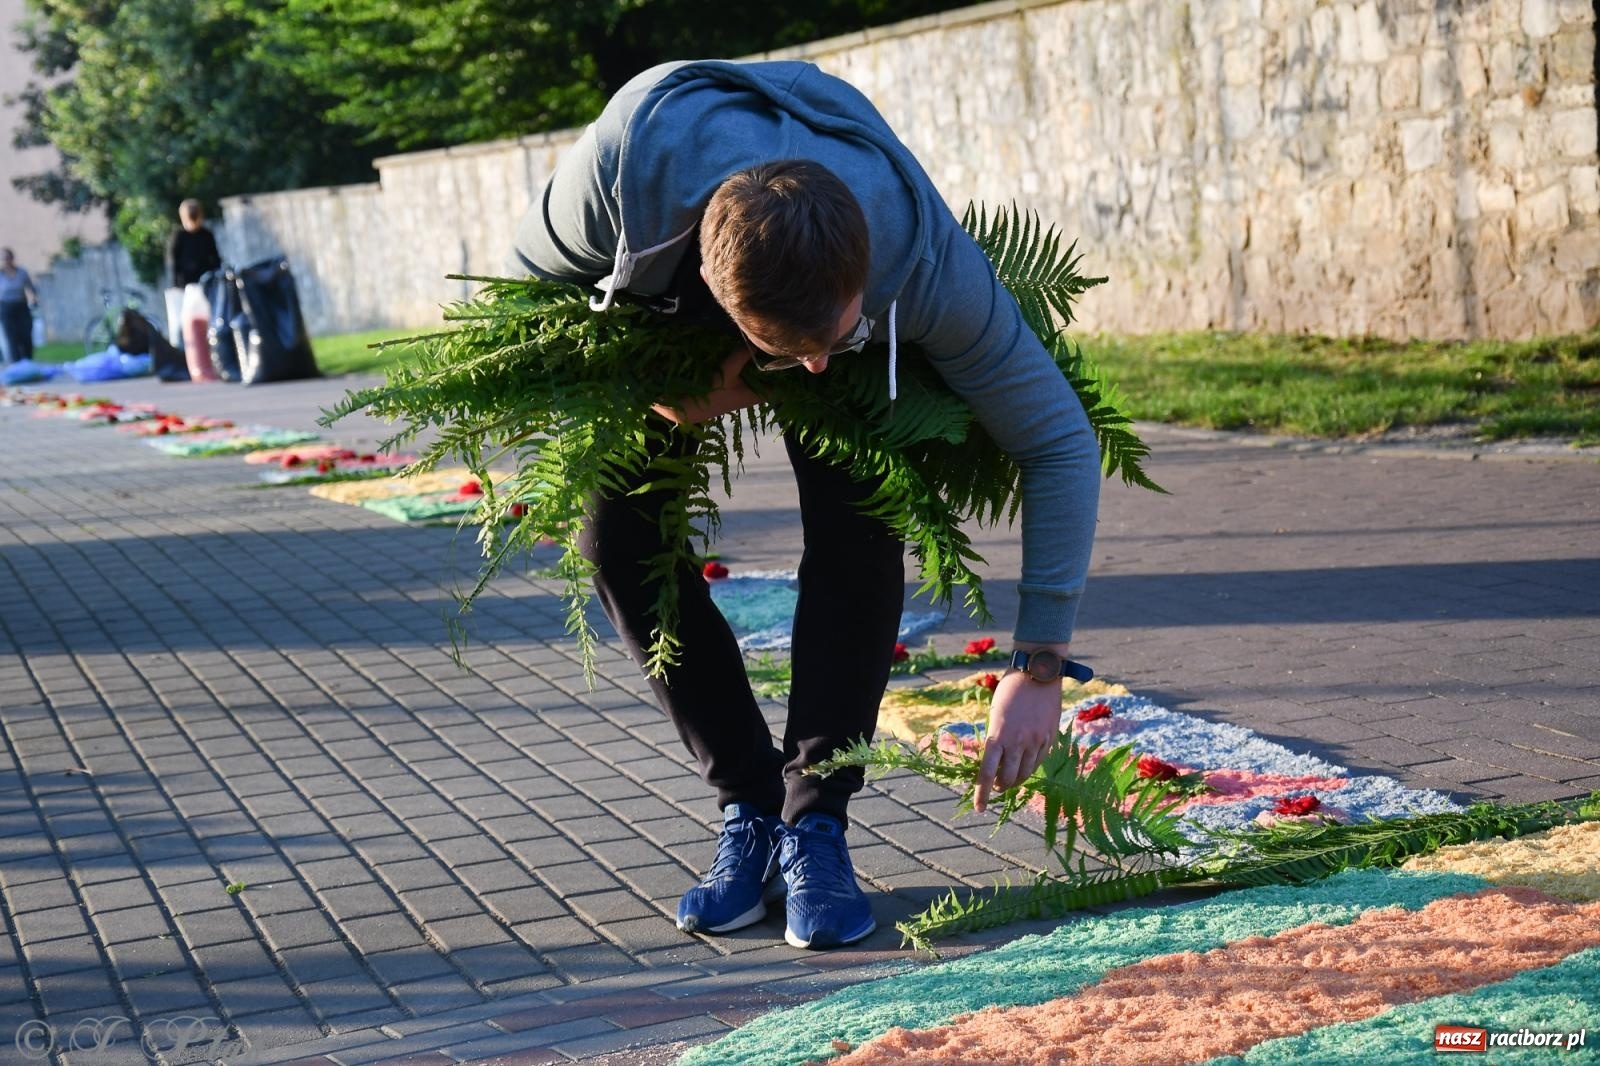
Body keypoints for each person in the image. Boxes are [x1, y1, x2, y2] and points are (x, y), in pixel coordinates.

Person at [511, 60, 1101, 950]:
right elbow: (525, 320)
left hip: (851, 274)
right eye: (796, 354)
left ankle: (816, 822)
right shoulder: (614, 181)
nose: (815, 372)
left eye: (833, 341)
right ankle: (748, 806)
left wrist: (1040, 664)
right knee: (616, 536)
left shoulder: (919, 254)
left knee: (861, 523)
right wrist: (652, 390)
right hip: (664, 301)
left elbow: (1058, 439)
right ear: (720, 295)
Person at [166, 199, 222, 288]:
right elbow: (174, 262)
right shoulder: (178, 236)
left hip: (207, 281)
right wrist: (176, 284)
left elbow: (215, 258)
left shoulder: (207, 235)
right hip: (186, 284)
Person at [0, 248, 40, 363]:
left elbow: (30, 287)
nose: (5, 261)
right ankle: (16, 364)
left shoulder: (22, 273)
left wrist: (35, 299)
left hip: (21, 307)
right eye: (3, 259)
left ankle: (28, 361)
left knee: (25, 335)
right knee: (12, 337)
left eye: (7, 258)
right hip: (6, 308)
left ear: (12, 258)